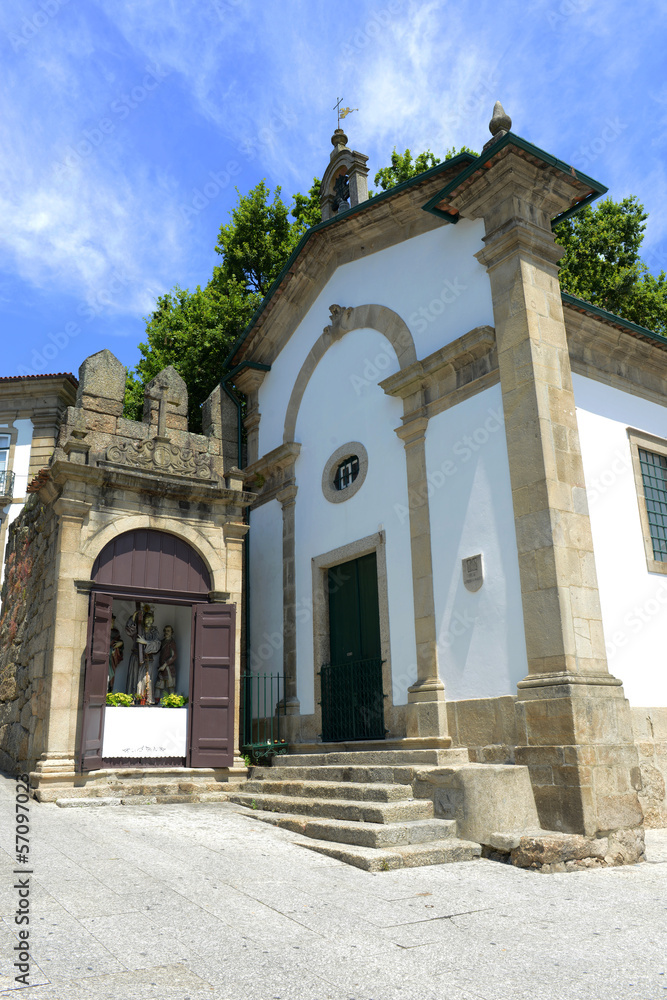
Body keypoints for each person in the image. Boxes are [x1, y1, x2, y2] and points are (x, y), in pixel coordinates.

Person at [125, 607, 161, 703]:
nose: (148, 621)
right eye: (146, 618)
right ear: (143, 620)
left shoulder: (154, 631)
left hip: (148, 659)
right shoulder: (139, 629)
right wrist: (133, 617)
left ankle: (146, 699)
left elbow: (157, 644)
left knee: (146, 680)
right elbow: (129, 630)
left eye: (150, 619)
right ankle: (133, 699)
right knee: (135, 679)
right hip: (136, 658)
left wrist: (145, 642)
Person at [155, 625, 177, 701]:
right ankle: (156, 702)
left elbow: (174, 656)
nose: (166, 632)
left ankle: (173, 702)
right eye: (165, 630)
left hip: (169, 668)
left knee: (170, 686)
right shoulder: (162, 642)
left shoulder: (172, 643)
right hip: (161, 668)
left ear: (172, 632)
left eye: (168, 631)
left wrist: (165, 665)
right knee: (158, 686)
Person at [108, 615, 124, 693]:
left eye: (113, 621)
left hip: (113, 659)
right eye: (111, 621)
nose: (112, 623)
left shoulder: (115, 633)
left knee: (111, 677)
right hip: (105, 659)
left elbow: (119, 643)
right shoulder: (102, 632)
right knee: (106, 676)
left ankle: (109, 693)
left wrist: (121, 644)